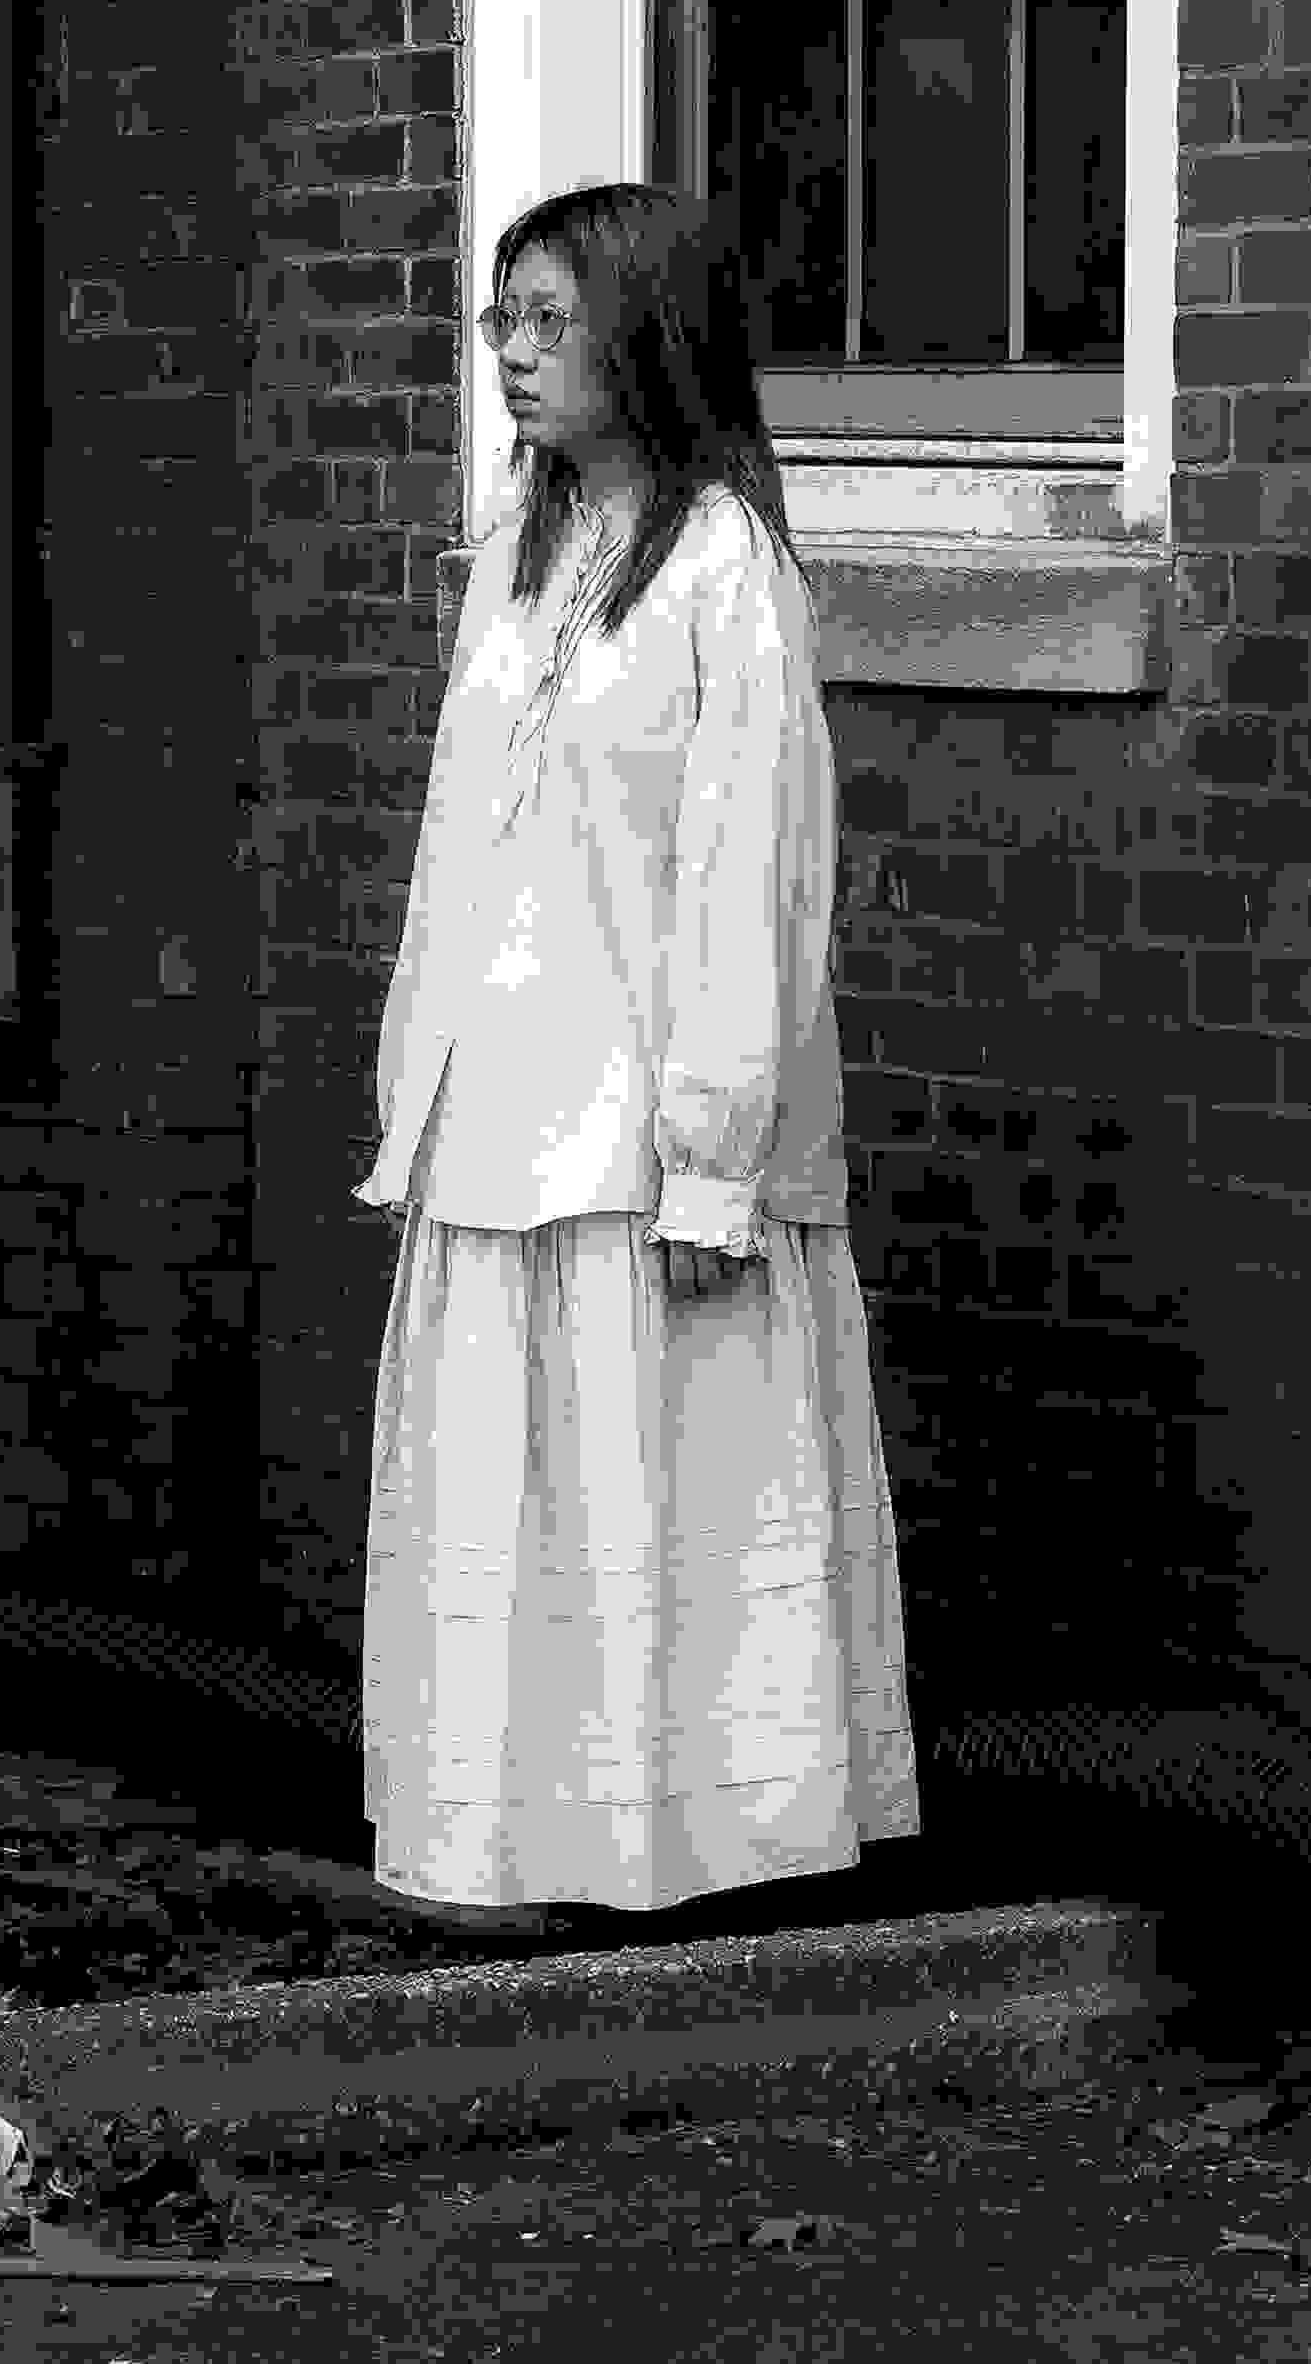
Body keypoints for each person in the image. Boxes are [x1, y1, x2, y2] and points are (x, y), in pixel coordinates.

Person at [351, 180, 918, 1920]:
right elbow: (457, 848)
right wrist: (415, 1096)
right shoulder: (510, 564)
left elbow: (755, 870)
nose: (510, 354)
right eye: (497, 320)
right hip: (498, 1119)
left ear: (644, 332)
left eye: (546, 319)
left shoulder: (724, 575)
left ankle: (682, 1857)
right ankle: (512, 1849)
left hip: (643, 1136)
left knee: (658, 1496)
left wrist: (715, 1151)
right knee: (510, 1516)